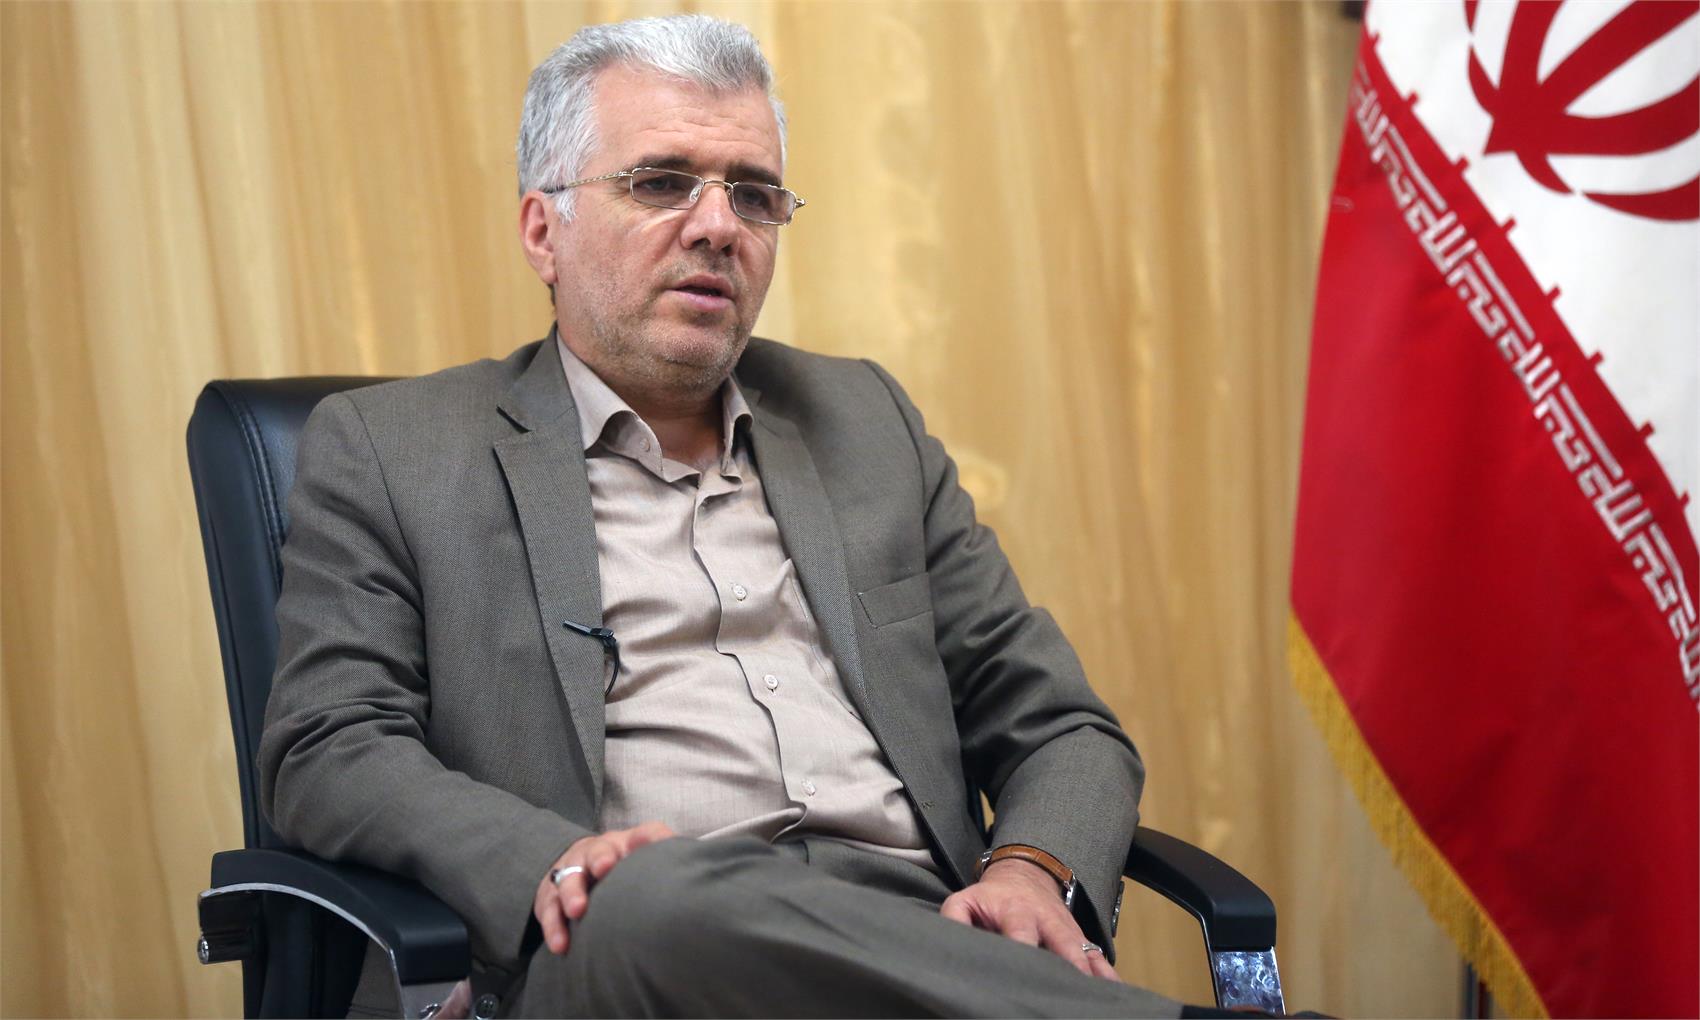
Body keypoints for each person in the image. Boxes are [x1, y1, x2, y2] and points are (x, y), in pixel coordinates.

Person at [259, 14, 1183, 1018]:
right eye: (661, 182)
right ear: (542, 232)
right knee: (654, 893)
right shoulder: (394, 450)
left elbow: (1059, 724)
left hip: (919, 928)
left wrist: (1031, 871)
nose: (717, 227)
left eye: (754, 194)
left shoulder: (864, 422)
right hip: (627, 948)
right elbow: (328, 747)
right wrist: (553, 864)